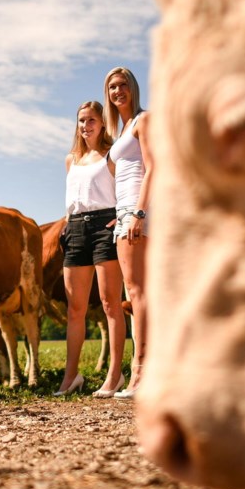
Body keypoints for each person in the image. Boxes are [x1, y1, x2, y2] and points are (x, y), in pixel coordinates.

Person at [55, 101, 127, 398]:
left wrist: (119, 216)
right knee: (75, 309)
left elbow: (124, 192)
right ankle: (71, 376)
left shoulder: (112, 156)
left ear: (102, 123)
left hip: (104, 227)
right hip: (74, 229)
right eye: (82, 120)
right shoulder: (71, 159)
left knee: (111, 304)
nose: (86, 126)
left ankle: (115, 375)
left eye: (92, 120)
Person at [104, 67, 152, 399]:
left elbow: (154, 167)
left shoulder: (143, 121)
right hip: (122, 214)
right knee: (134, 294)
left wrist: (139, 213)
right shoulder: (121, 130)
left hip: (137, 213)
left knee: (137, 293)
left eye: (122, 85)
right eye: (111, 87)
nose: (117, 90)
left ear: (133, 88)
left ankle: (141, 375)